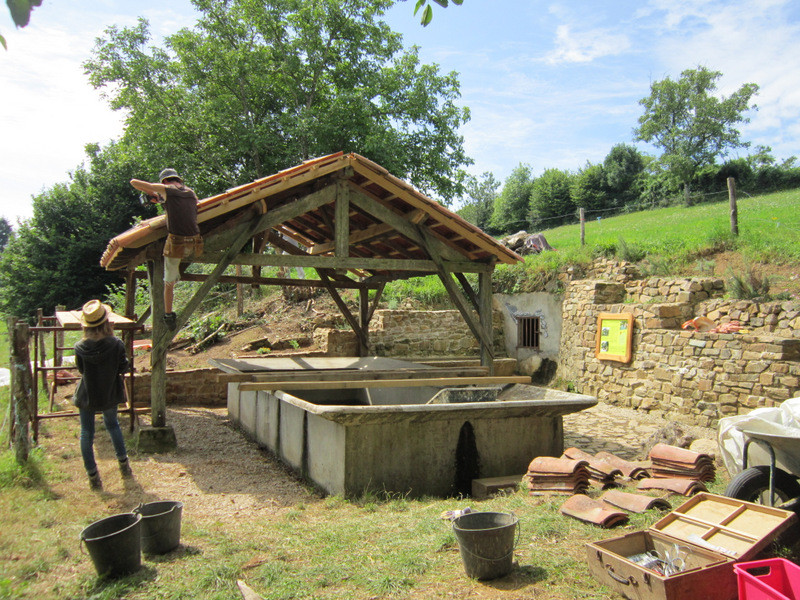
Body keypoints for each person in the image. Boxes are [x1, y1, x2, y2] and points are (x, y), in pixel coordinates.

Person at [130, 168, 203, 330]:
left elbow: (134, 183)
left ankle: (168, 315)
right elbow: (185, 208)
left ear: (165, 181)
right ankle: (177, 276)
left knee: (168, 282)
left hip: (178, 242)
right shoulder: (191, 192)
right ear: (178, 179)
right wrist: (162, 200)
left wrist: (153, 190)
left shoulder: (167, 189)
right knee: (176, 271)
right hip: (196, 242)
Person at [72, 300, 133, 490]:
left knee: (86, 433)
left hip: (87, 394)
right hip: (109, 392)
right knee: (113, 425)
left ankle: (93, 477)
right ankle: (124, 466)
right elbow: (124, 366)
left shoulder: (79, 346)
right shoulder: (116, 344)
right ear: (107, 323)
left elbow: (81, 370)